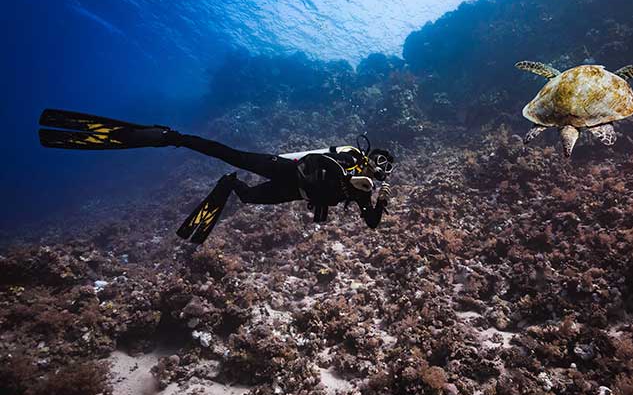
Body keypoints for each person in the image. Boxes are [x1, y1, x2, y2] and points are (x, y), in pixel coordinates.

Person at [38, 109, 394, 243]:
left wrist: (380, 202)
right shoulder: (350, 157)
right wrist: (343, 177)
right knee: (230, 153)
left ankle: (228, 183)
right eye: (378, 159)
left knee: (248, 197)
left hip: (293, 193)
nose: (378, 167)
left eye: (384, 167)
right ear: (369, 154)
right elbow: (314, 161)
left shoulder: (365, 192)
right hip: (286, 169)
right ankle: (172, 137)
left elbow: (372, 223)